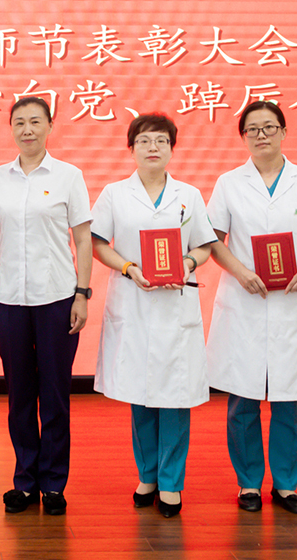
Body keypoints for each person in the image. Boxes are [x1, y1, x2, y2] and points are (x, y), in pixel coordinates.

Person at [206, 101, 297, 515]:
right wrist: (242, 273)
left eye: (269, 127)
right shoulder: (229, 183)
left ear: (284, 131)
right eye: (252, 129)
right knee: (242, 400)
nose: (261, 135)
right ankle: (248, 483)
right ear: (243, 137)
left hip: (293, 301)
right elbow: (212, 240)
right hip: (245, 300)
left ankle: (286, 485)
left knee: (289, 399)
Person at [90, 112, 216, 518]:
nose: (153, 148)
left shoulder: (189, 194)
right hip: (134, 301)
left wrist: (187, 264)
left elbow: (204, 246)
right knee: (141, 394)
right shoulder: (114, 193)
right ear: (131, 149)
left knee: (176, 397)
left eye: (161, 140)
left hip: (176, 304)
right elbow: (97, 243)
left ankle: (171, 483)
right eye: (144, 141)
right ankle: (147, 475)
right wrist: (129, 269)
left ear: (172, 148)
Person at [0, 96, 92, 516]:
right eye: (19, 123)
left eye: (35, 122)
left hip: (57, 298)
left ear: (50, 126)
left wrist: (82, 293)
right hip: (8, 299)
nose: (27, 129)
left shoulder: (68, 176)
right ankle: (25, 481)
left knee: (55, 394)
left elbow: (82, 238)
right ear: (11, 128)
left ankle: (54, 484)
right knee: (20, 394)